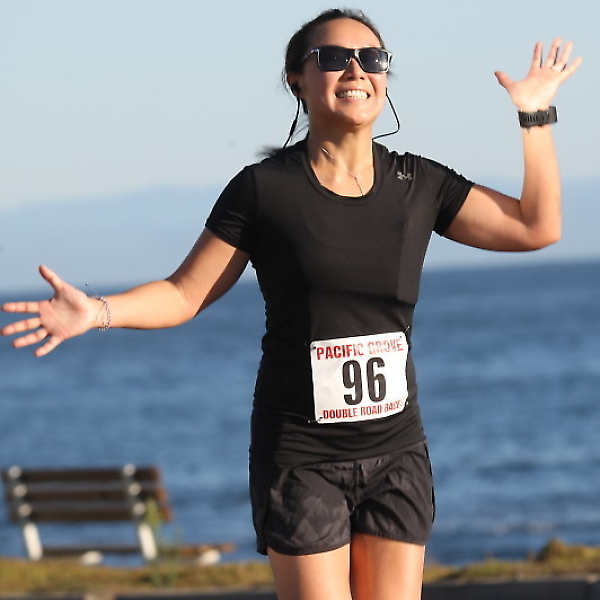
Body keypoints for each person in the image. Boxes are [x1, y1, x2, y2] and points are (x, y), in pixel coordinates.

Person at [1, 8, 581, 600]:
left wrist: (535, 114)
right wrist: (98, 312)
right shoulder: (264, 190)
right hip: (303, 455)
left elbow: (537, 226)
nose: (356, 69)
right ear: (296, 80)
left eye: (372, 58)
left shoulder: (420, 184)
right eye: (333, 58)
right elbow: (184, 293)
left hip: (397, 451)